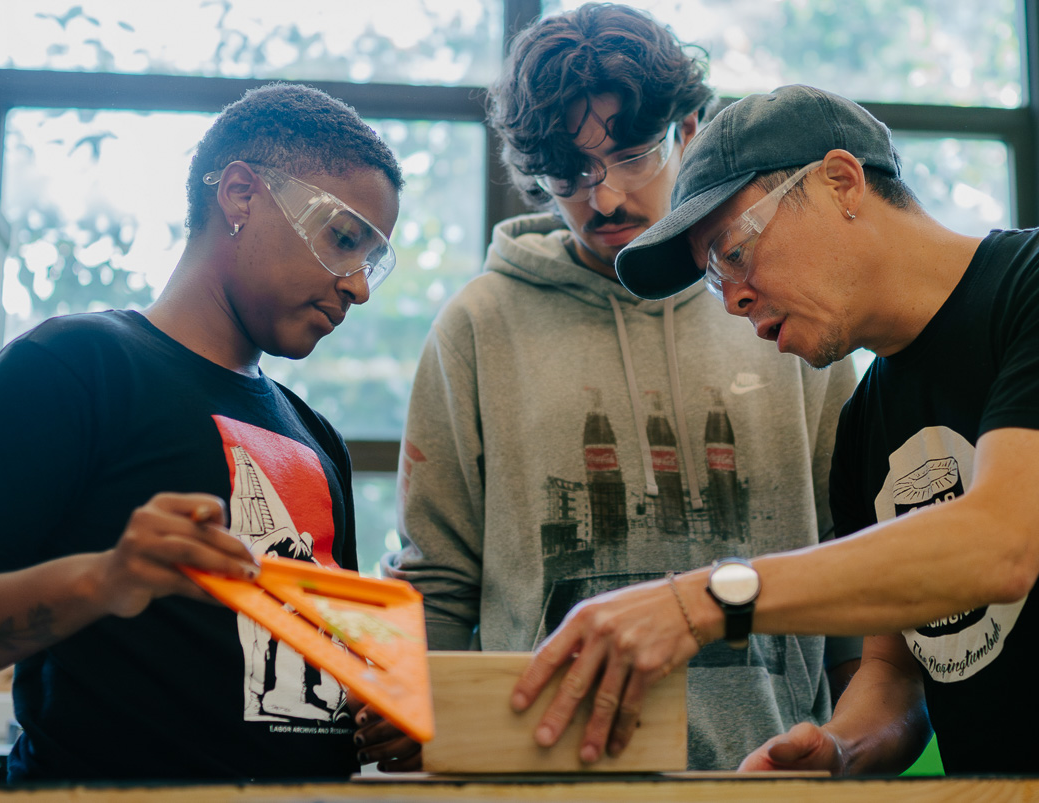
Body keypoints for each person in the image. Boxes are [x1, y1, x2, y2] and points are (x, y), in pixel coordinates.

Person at [507, 84, 1039, 775]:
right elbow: (896, 672)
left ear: (841, 181)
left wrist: (705, 600)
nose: (733, 299)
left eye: (735, 252)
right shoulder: (867, 424)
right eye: (715, 276)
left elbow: (997, 545)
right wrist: (844, 747)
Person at [354, 5, 860, 771]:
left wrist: (852, 747)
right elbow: (439, 580)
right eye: (569, 174)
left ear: (689, 129)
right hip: (538, 774)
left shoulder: (785, 305)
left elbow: (854, 567)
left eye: (631, 154)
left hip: (769, 772)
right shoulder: (479, 325)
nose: (607, 197)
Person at [0, 83, 404, 782]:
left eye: (371, 259)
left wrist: (382, 712)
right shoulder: (73, 366)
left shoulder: (316, 437)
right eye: (343, 238)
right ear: (242, 195)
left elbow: (305, 675)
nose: (359, 287)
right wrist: (105, 577)